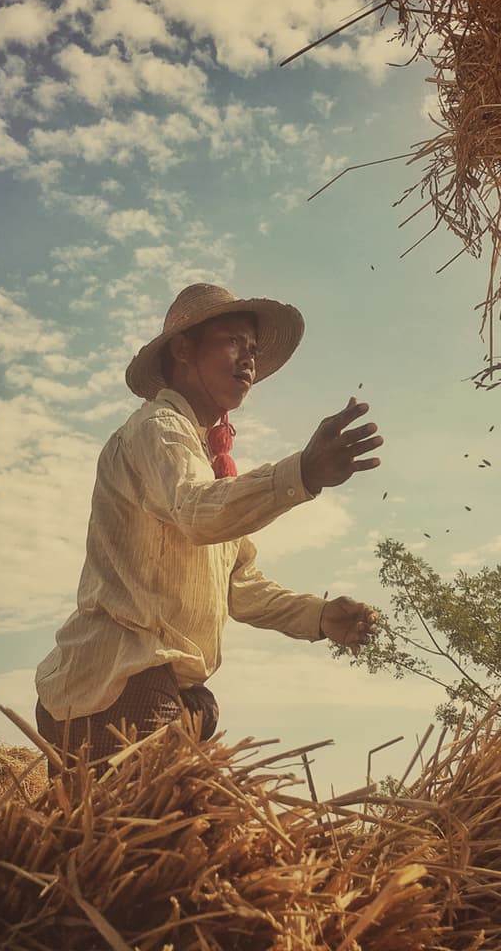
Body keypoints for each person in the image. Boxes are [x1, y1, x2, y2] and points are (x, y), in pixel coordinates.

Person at [34, 282, 384, 765]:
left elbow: (239, 585)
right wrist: (301, 472)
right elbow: (197, 511)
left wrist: (318, 616)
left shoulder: (208, 462)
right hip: (116, 683)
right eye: (233, 341)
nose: (248, 360)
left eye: (254, 349)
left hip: (152, 683)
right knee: (146, 836)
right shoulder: (158, 430)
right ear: (184, 348)